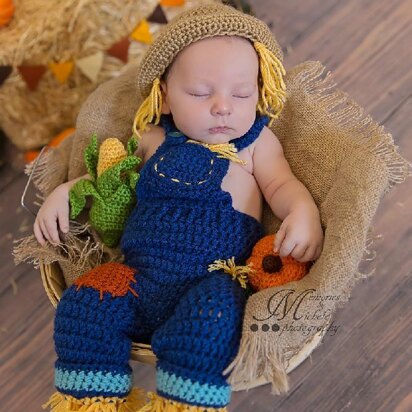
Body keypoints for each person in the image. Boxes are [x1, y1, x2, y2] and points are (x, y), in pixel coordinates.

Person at [38, 5, 323, 412]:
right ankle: (91, 400)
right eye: (200, 93)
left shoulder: (256, 145)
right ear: (165, 97)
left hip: (210, 282)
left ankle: (185, 404)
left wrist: (303, 213)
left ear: (259, 93)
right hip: (138, 277)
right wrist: (68, 191)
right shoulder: (153, 138)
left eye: (242, 94)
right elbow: (113, 185)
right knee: (84, 305)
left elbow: (282, 186)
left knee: (210, 326)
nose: (223, 106)